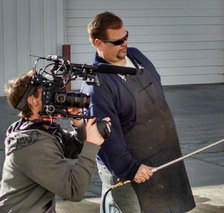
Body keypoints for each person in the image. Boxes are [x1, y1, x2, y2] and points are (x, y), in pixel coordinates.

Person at [81, 12, 195, 213]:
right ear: (98, 43)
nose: (124, 43)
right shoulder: (97, 85)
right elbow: (105, 137)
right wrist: (130, 168)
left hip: (164, 158)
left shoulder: (136, 56)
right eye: (117, 42)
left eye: (126, 37)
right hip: (130, 170)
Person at [0, 70, 109, 212]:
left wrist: (78, 123)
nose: (55, 97)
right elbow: (74, 190)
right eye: (47, 94)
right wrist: (92, 144)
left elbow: (75, 148)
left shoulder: (40, 129)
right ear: (32, 101)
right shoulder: (31, 143)